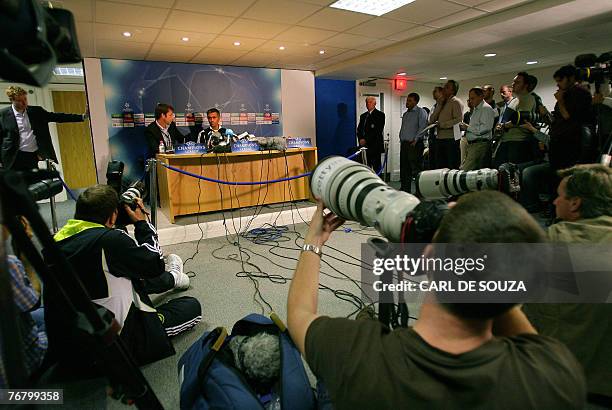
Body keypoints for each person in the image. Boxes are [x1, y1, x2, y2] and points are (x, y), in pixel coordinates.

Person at [287, 191, 586, 410]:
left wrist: (313, 241)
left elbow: (299, 314)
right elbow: (517, 321)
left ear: (428, 257)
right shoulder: (554, 377)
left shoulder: (355, 354)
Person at [44, 185, 201, 373]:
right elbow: (154, 264)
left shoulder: (54, 241)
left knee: (125, 272)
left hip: (70, 348)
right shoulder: (110, 241)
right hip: (115, 345)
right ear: (112, 216)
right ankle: (173, 278)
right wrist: (142, 223)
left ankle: (173, 278)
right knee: (191, 306)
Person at [523, 164, 612, 408]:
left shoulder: (551, 242)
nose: (553, 203)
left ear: (575, 204)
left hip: (560, 389)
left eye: (559, 196)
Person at [0, 226, 47, 388]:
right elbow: (33, 302)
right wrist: (24, 254)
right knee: (58, 318)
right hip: (13, 368)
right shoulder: (8, 264)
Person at [0, 86, 87, 170]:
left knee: (33, 182)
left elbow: (57, 117)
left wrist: (82, 117)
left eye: (25, 99)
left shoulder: (36, 111)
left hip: (32, 156)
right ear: (12, 100)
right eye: (19, 101)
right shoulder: (3, 115)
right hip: (12, 157)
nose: (24, 103)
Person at [549, 65, 595, 170]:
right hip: (559, 143)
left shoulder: (580, 94)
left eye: (560, 80)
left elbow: (568, 117)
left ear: (571, 78)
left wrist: (560, 101)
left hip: (570, 144)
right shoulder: (564, 94)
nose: (558, 84)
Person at [493, 72, 538, 168]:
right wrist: (501, 126)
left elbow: (520, 120)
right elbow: (506, 119)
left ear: (525, 85)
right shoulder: (514, 101)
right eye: (514, 82)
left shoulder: (528, 98)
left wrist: (504, 125)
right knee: (499, 170)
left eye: (517, 82)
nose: (513, 84)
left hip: (518, 142)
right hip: (506, 140)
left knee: (512, 173)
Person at [429, 80, 465, 169]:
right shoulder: (441, 102)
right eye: (444, 86)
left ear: (453, 91)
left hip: (451, 139)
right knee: (440, 165)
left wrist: (443, 124)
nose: (444, 89)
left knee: (451, 165)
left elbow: (458, 120)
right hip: (439, 138)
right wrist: (440, 104)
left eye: (447, 87)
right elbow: (432, 120)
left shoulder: (456, 102)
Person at [460, 87, 496, 170]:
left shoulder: (486, 108)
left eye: (472, 98)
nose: (471, 101)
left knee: (465, 171)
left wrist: (467, 127)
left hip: (480, 145)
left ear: (481, 97)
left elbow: (485, 128)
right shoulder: (477, 109)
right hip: (474, 145)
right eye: (469, 99)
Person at [398, 93, 427, 193]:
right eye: (407, 100)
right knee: (404, 169)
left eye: (410, 100)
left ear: (416, 102)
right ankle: (405, 190)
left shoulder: (421, 112)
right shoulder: (406, 114)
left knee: (415, 169)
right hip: (405, 144)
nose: (407, 102)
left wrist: (416, 139)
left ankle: (420, 191)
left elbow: (422, 127)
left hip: (414, 144)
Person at [357, 97, 385, 172]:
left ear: (374, 103)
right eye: (367, 102)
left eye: (370, 102)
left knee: (376, 167)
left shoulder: (380, 115)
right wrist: (360, 139)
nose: (368, 104)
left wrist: (365, 140)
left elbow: (377, 131)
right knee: (366, 168)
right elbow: (359, 129)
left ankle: (378, 183)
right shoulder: (363, 116)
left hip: (374, 146)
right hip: (364, 147)